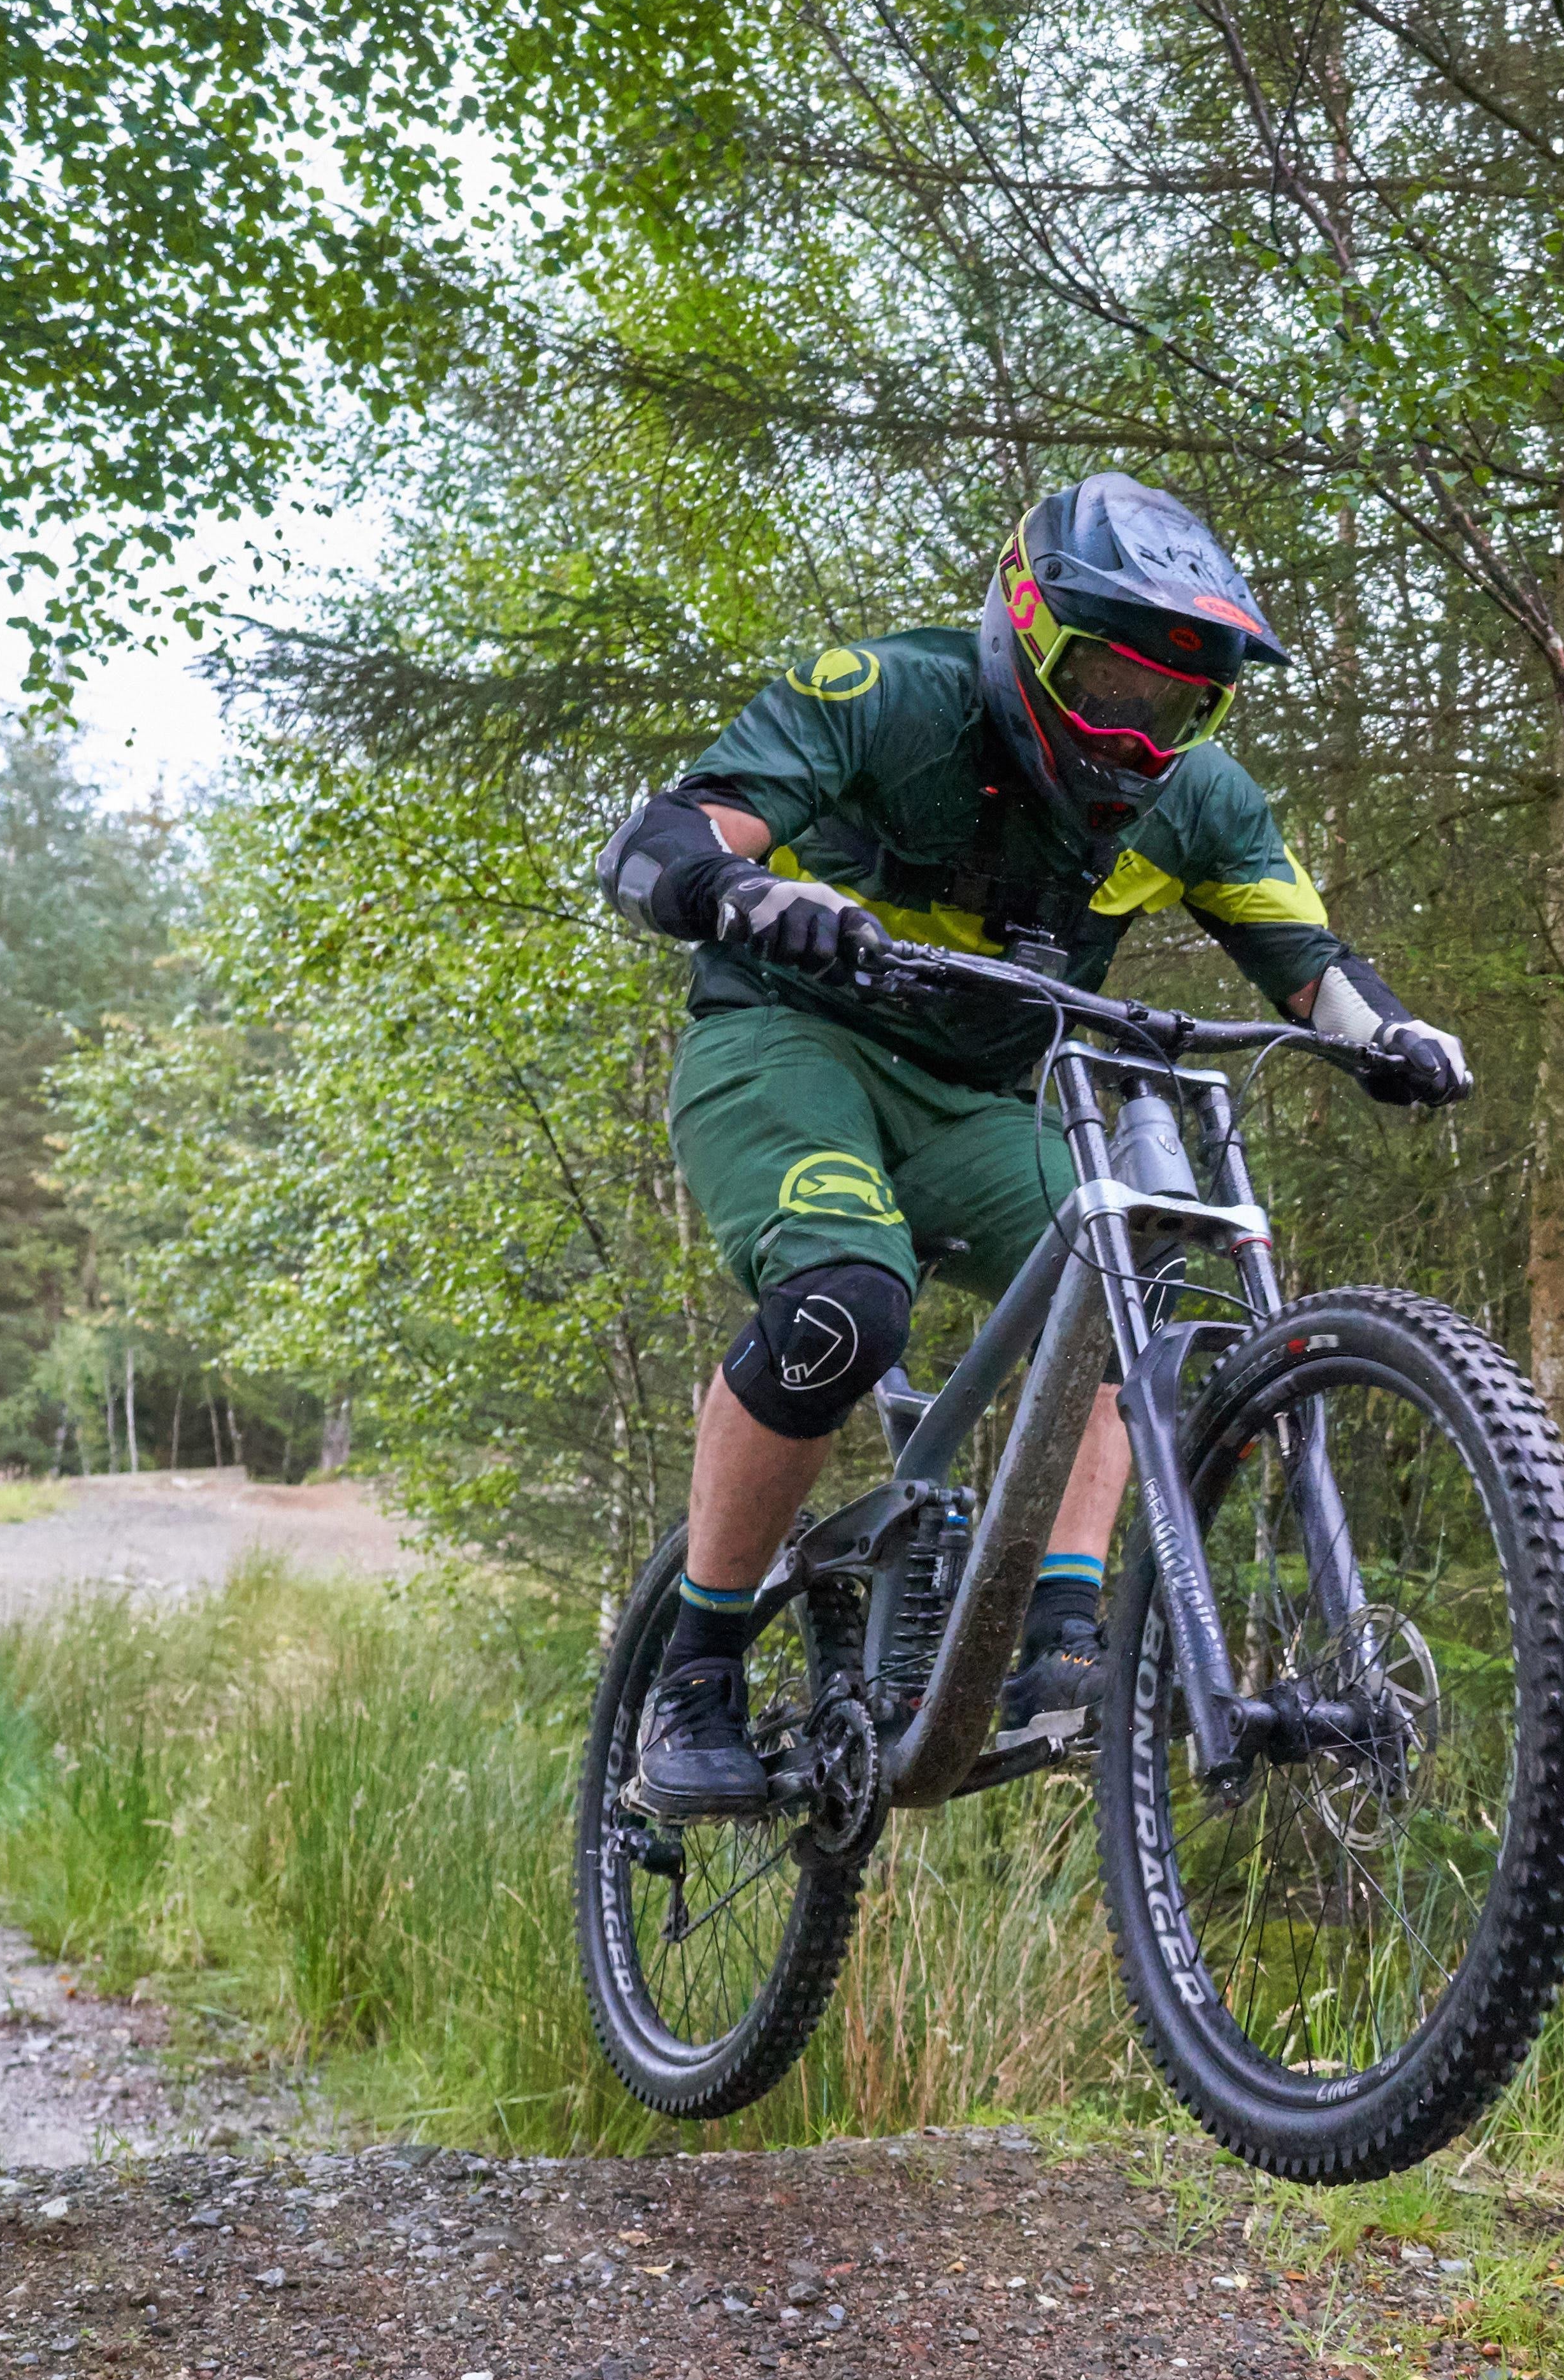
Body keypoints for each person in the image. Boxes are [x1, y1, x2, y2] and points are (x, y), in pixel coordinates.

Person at [592, 473, 1469, 1816]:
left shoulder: (1200, 801)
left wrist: (1389, 1036)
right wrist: (759, 892)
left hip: (981, 1103)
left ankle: (1061, 1633)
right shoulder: (884, 694)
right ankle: (695, 1669)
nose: (1137, 735)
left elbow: (1308, 960)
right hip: (787, 1046)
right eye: (1113, 690)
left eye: (1178, 707)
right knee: (842, 1308)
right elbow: (656, 846)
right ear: (1023, 628)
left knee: (1138, 1286)